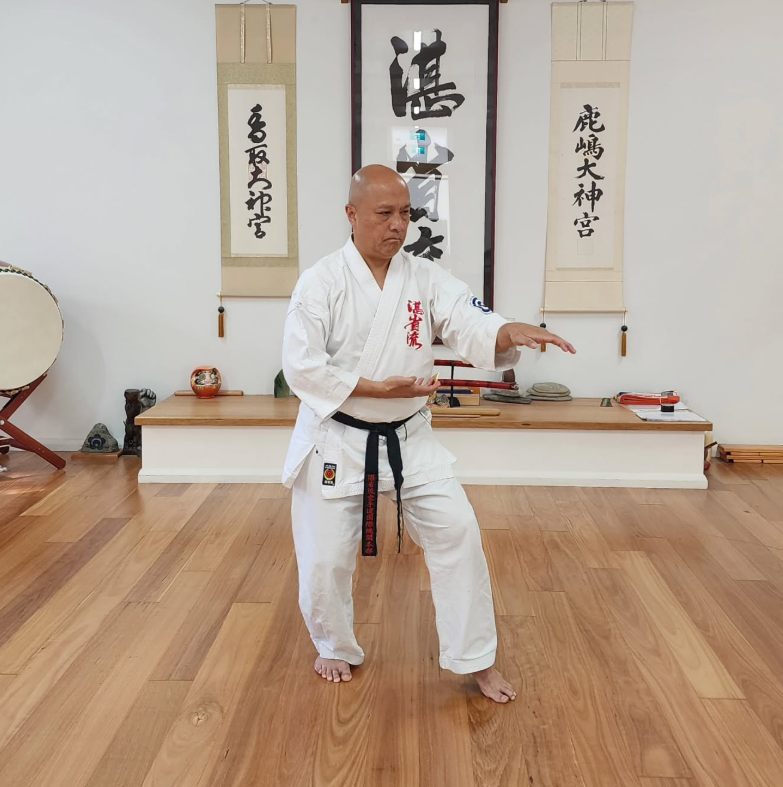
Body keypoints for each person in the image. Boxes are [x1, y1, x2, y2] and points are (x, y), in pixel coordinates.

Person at [281, 165, 575, 703]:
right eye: (384, 213)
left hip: (409, 435)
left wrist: (505, 331)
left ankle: (475, 658)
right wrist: (375, 388)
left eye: (405, 213)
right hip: (337, 437)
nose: (398, 225)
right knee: (325, 558)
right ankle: (334, 645)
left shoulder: (424, 278)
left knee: (458, 531)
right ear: (351, 215)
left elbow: (468, 319)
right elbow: (302, 367)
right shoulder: (320, 282)